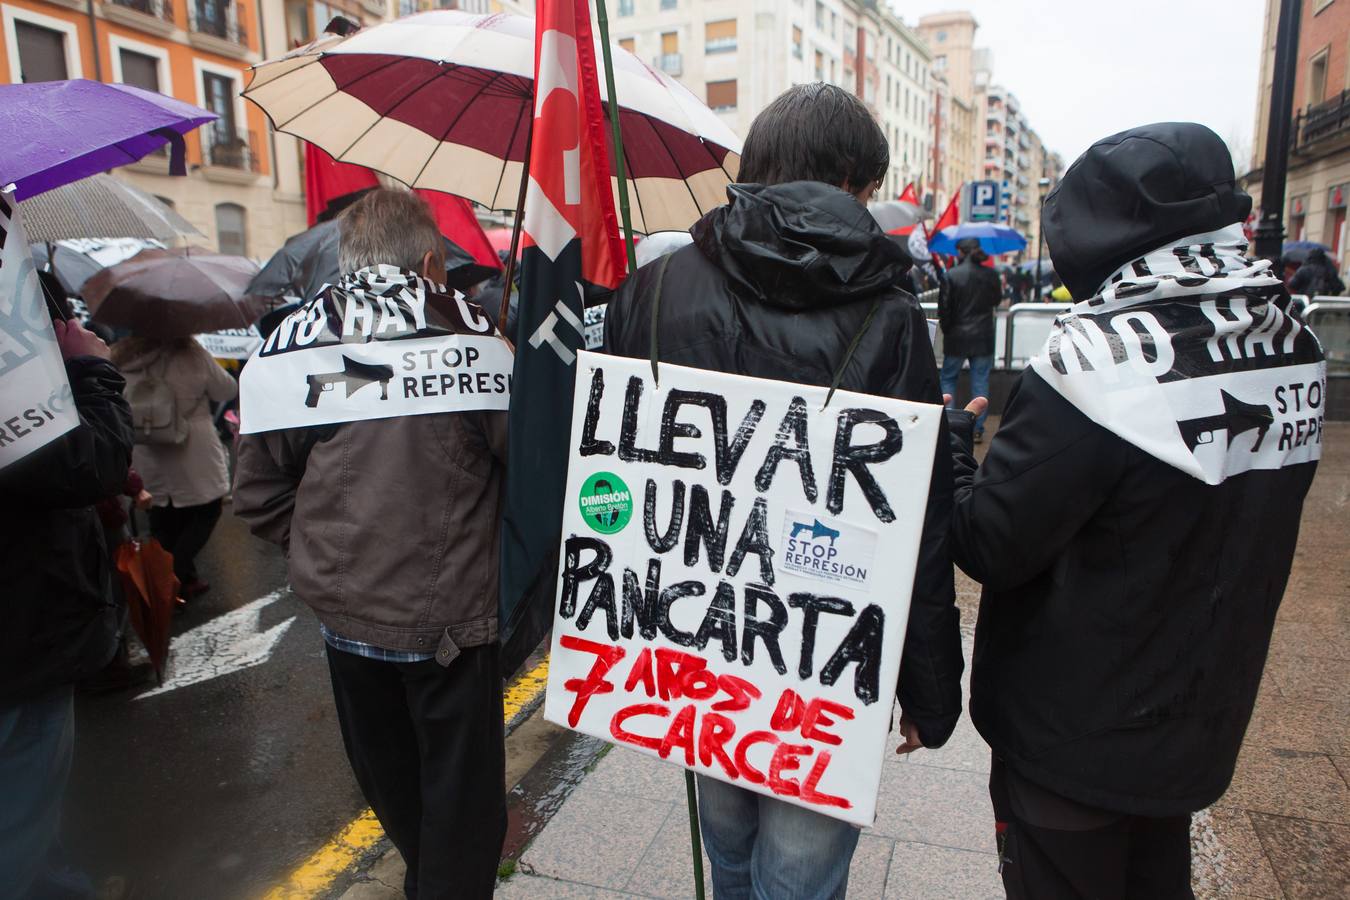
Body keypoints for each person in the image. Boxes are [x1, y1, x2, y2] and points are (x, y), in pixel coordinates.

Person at [603, 83, 963, 900]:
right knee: (797, 874)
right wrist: (929, 690)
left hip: (691, 644)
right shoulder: (893, 315)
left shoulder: (648, 292)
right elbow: (921, 522)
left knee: (728, 846)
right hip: (819, 664)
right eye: (870, 191)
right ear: (851, 180)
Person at [946, 122, 1325, 898]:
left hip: (1072, 738)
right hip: (1198, 723)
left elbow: (991, 539)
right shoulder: (1290, 341)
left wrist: (955, 445)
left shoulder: (1096, 366)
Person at [234, 189, 509, 899]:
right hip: (455, 625)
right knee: (462, 817)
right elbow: (531, 477)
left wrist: (330, 554)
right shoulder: (479, 340)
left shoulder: (284, 345)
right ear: (429, 260)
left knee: (401, 802)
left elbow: (259, 494)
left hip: (346, 626)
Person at [1, 317, 134, 898]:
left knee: (30, 803)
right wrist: (90, 369)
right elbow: (85, 464)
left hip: (32, 615)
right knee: (23, 802)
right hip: (23, 627)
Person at [111, 336, 236, 599]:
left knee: (163, 517)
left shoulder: (120, 358)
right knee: (207, 510)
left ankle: (184, 579)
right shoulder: (190, 353)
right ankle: (171, 575)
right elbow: (225, 390)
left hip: (147, 445)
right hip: (193, 446)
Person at [938, 237, 1001, 441]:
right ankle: (976, 428)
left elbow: (944, 309)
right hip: (983, 336)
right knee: (980, 381)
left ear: (961, 252)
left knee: (948, 379)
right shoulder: (990, 274)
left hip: (956, 336)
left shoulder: (951, 275)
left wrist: (947, 330)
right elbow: (996, 300)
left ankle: (948, 426)